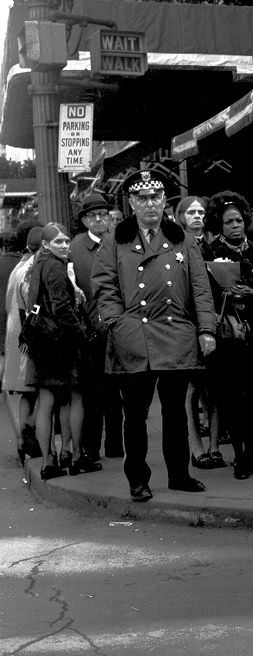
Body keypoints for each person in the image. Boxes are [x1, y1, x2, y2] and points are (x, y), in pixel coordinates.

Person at [92, 168, 216, 502]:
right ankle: (138, 479)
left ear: (165, 200)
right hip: (135, 335)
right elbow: (104, 288)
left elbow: (200, 289)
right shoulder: (114, 240)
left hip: (176, 333)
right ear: (131, 202)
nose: (150, 204)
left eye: (156, 197)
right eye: (143, 198)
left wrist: (206, 329)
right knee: (135, 414)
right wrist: (117, 324)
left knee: (175, 411)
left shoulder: (181, 238)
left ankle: (179, 474)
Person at [202, 192, 253, 480]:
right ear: (219, 225)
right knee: (234, 398)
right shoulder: (209, 254)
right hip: (229, 337)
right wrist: (225, 294)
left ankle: (251, 454)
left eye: (238, 220)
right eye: (228, 222)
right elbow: (203, 295)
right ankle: (238, 457)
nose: (235, 226)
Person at [23, 223, 95, 479]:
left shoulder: (37, 266)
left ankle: (48, 462)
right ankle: (75, 456)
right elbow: (62, 308)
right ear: (45, 244)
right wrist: (82, 335)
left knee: (46, 401)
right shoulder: (54, 266)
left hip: (41, 343)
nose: (64, 246)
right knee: (74, 397)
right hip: (60, 343)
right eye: (58, 242)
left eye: (66, 241)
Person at [68, 191, 123, 465]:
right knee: (93, 393)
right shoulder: (75, 248)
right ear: (84, 220)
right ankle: (91, 447)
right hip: (90, 330)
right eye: (93, 216)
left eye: (104, 215)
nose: (100, 220)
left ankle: (115, 446)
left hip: (119, 327)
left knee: (117, 391)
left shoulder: (118, 242)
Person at [174, 195, 224, 470]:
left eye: (201, 212)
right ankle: (196, 446)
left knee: (213, 388)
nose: (197, 216)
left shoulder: (212, 245)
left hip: (214, 322)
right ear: (181, 216)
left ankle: (215, 445)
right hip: (186, 323)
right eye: (191, 212)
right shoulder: (175, 245)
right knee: (191, 389)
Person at [3, 221, 42, 461]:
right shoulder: (32, 268)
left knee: (26, 392)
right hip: (29, 336)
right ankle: (31, 438)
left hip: (14, 334)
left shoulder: (18, 267)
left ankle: (22, 439)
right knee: (40, 391)